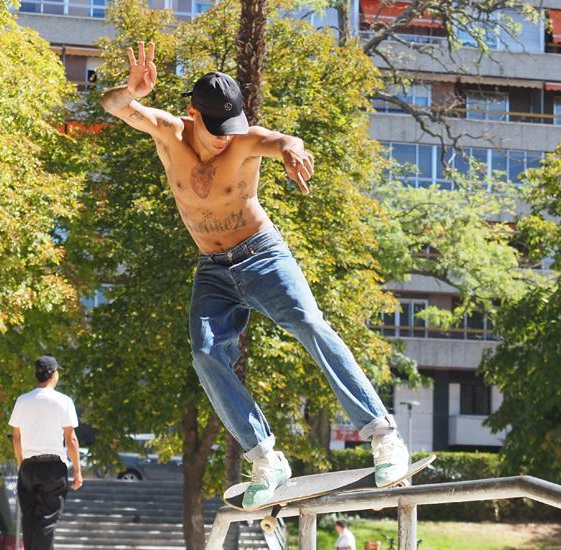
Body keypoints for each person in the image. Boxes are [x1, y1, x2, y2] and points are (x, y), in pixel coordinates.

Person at [100, 42, 410, 509]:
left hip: (263, 256)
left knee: (309, 324)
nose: (226, 138)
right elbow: (113, 107)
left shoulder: (243, 141)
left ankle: (384, 435)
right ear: (191, 113)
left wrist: (292, 151)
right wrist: (131, 90)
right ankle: (265, 456)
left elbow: (279, 139)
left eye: (233, 126)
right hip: (212, 271)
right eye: (216, 128)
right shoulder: (167, 131)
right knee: (205, 355)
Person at [9, 355, 83, 550]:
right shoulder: (64, 401)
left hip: (28, 466)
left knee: (30, 519)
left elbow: (16, 438)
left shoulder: (22, 401)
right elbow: (71, 439)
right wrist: (77, 470)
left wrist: (20, 464)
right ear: (53, 374)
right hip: (53, 467)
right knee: (46, 521)